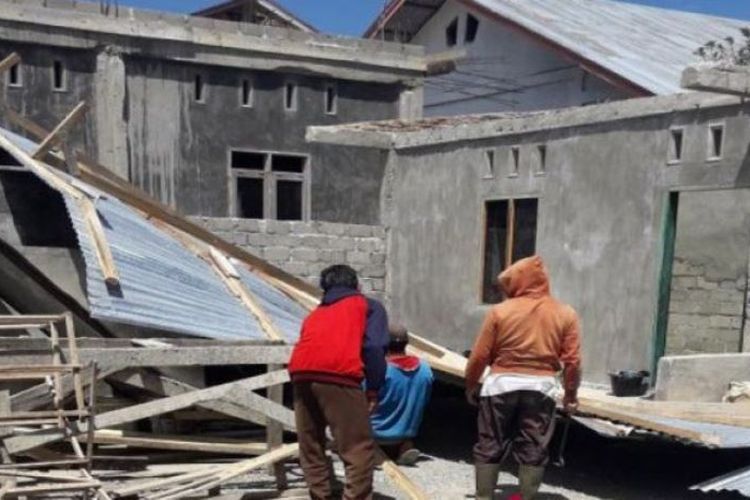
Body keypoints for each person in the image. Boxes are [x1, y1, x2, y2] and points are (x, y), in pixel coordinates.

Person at [465, 256, 581, 500]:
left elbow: (479, 356)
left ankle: (484, 496)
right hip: (541, 389)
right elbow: (573, 361)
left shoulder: (500, 311)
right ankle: (526, 496)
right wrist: (571, 395)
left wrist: (471, 384)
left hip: (500, 386)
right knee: (533, 445)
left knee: (490, 442)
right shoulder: (565, 313)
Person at [288, 264, 389, 500]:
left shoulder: (315, 314)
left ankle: (319, 495)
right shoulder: (368, 306)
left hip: (301, 375)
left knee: (311, 444)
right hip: (339, 376)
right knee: (357, 448)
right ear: (356, 285)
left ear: (325, 289)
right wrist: (373, 389)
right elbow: (374, 347)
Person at [369, 324, 434, 466]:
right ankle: (404, 447)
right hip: (405, 433)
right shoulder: (425, 369)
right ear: (406, 343)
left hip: (375, 433)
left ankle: (370, 452)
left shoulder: (378, 369)